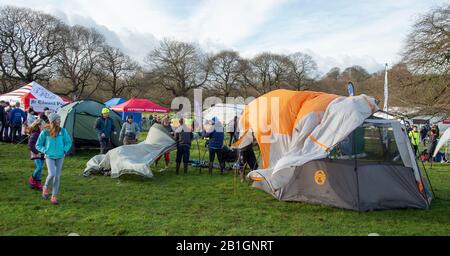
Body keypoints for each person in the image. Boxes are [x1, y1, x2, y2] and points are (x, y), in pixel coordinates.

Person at [36, 113, 72, 205]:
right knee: (52, 173)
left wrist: (64, 150)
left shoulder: (63, 131)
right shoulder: (45, 131)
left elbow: (68, 142)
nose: (60, 121)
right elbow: (38, 145)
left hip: (60, 156)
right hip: (49, 156)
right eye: (58, 119)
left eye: (60, 119)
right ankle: (46, 187)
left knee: (57, 176)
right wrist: (45, 150)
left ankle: (54, 197)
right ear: (53, 121)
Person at [27, 119, 46, 190]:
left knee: (40, 169)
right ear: (39, 126)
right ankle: (32, 179)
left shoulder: (43, 133)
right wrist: (36, 152)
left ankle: (38, 183)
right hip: (36, 153)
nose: (45, 125)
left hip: (42, 153)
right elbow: (30, 145)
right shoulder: (35, 134)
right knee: (39, 167)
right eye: (43, 124)